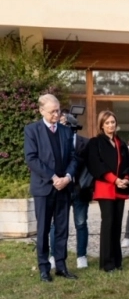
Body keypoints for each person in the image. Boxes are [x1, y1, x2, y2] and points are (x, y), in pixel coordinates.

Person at [24, 94, 78, 282]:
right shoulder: (32, 130)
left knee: (62, 228)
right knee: (44, 229)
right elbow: (31, 158)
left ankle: (61, 266)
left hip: (64, 188)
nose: (57, 114)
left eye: (58, 110)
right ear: (41, 111)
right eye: (52, 111)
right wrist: (54, 177)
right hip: (44, 188)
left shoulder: (66, 131)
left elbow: (73, 157)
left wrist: (68, 177)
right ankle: (44, 268)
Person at [86, 110, 129, 272]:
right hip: (106, 188)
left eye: (113, 122)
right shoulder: (95, 143)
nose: (110, 125)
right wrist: (114, 179)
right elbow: (96, 164)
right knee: (107, 224)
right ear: (102, 125)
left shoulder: (121, 143)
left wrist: (127, 179)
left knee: (117, 225)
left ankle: (117, 261)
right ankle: (106, 264)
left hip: (120, 189)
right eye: (107, 123)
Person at [49, 113, 92, 269]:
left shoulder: (86, 143)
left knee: (81, 223)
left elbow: (91, 168)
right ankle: (54, 256)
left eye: (65, 123)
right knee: (57, 225)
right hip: (61, 189)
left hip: (81, 189)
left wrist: (85, 186)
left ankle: (81, 256)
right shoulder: (55, 142)